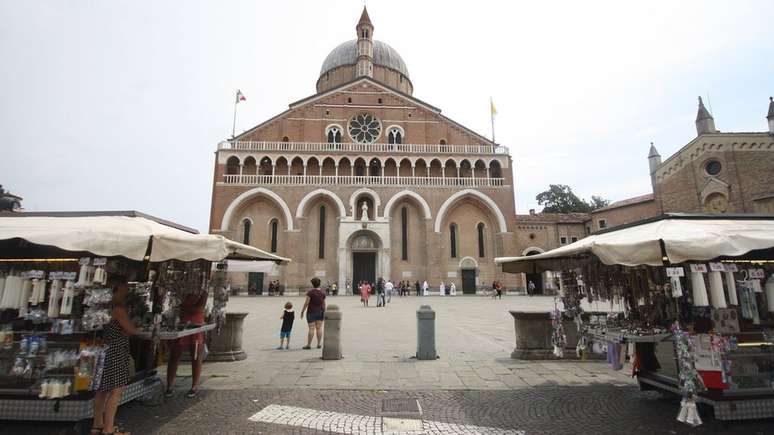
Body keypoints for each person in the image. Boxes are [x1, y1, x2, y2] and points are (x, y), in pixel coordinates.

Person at [91, 280, 138, 435]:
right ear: (116, 290)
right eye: (124, 288)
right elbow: (130, 330)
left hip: (103, 349)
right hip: (116, 351)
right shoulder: (118, 309)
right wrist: (137, 327)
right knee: (116, 391)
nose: (126, 291)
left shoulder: (103, 307)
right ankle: (109, 429)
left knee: (102, 389)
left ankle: (97, 425)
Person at [165, 287, 208, 399]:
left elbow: (199, 309)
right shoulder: (181, 289)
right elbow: (175, 306)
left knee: (196, 356)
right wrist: (184, 309)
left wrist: (183, 308)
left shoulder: (202, 289)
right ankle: (169, 385)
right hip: (180, 323)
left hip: (196, 324)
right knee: (174, 355)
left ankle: (194, 386)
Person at [300, 277, 326, 349]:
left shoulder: (310, 293)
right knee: (319, 328)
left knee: (311, 328)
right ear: (319, 284)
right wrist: (324, 311)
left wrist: (302, 311)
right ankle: (319, 344)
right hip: (320, 311)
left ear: (312, 284)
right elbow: (324, 303)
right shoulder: (323, 292)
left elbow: (306, 303)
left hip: (311, 312)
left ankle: (309, 345)